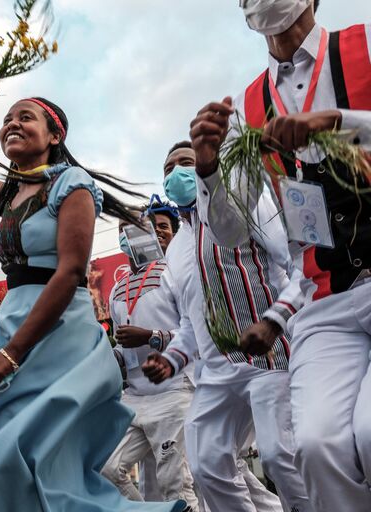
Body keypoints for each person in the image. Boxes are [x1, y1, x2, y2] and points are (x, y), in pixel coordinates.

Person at [0, 70, 185, 512]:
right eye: (8, 120)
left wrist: (13, 353)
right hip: (12, 324)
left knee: (25, 457)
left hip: (55, 333)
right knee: (0, 463)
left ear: (55, 134)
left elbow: (71, 271)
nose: (12, 123)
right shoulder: (9, 195)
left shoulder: (71, 184)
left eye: (26, 117)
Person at [190, 1, 371, 509]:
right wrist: (208, 171)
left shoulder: (363, 45)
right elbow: (228, 229)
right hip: (326, 298)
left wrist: (339, 122)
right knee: (315, 446)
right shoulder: (251, 104)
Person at [143, 142, 311, 512]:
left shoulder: (243, 205)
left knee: (279, 454)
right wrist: (171, 358)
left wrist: (276, 321)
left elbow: (295, 267)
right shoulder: (174, 249)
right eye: (168, 169)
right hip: (216, 371)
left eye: (185, 163)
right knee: (206, 465)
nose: (176, 174)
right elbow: (189, 321)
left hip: (269, 356)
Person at [102, 201, 199, 510]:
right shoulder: (116, 288)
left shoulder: (174, 273)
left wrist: (151, 337)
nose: (125, 234)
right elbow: (121, 345)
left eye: (130, 227)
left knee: (175, 484)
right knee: (106, 470)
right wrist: (108, 358)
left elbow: (195, 330)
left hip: (173, 393)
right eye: (119, 230)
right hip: (132, 399)